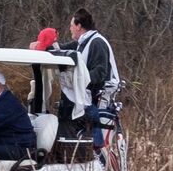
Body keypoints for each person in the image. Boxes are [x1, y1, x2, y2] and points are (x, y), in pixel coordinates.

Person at [44, 9, 120, 148]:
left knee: (93, 135)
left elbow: (100, 73)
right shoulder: (82, 43)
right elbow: (60, 50)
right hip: (87, 96)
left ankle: (94, 151)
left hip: (99, 99)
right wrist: (42, 45)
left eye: (72, 25)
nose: (70, 28)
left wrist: (77, 81)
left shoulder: (97, 43)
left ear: (79, 26)